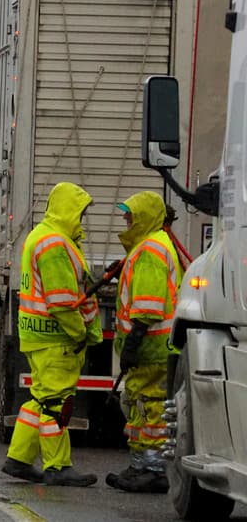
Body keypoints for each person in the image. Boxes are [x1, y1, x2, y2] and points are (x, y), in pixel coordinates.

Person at [2, 181, 101, 487]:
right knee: (57, 402)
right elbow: (62, 301)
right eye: (81, 211)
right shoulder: (56, 244)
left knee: (40, 399)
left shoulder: (41, 236)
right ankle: (58, 466)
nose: (82, 218)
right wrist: (79, 332)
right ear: (69, 210)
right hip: (56, 337)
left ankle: (18, 459)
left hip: (37, 335)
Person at [106, 191, 182, 494]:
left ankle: (153, 469)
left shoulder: (150, 250)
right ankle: (140, 465)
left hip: (152, 348)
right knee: (140, 403)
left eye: (130, 216)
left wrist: (133, 344)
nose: (126, 220)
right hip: (151, 348)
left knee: (152, 406)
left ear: (145, 217)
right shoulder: (148, 248)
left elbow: (148, 307)